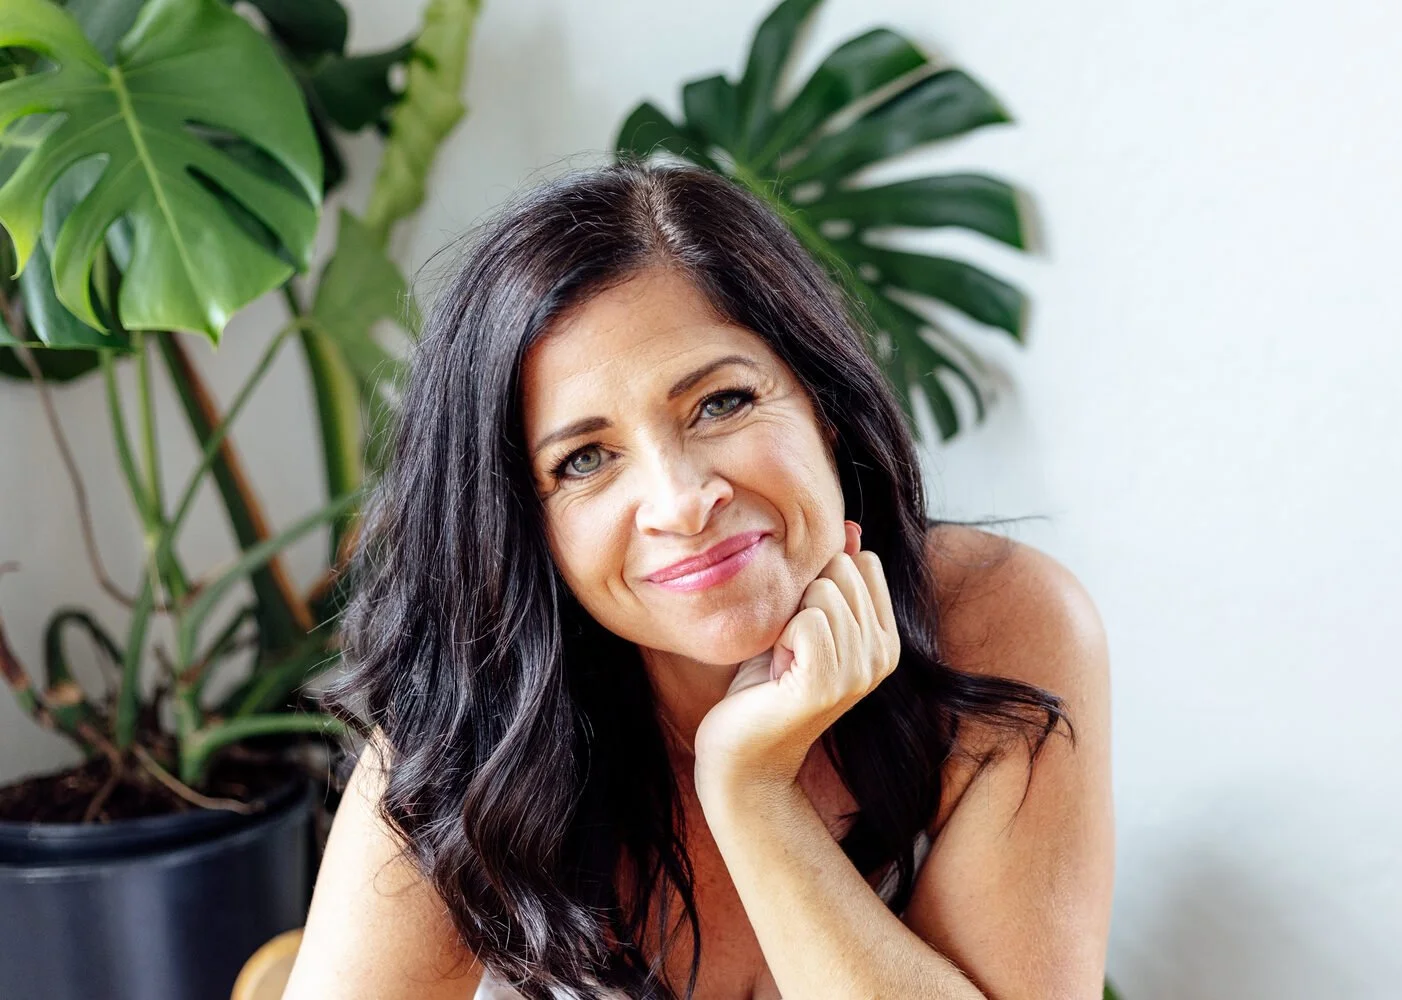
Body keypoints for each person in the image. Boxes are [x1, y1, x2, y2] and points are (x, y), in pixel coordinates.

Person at [282, 160, 1114, 1000]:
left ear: (821, 400)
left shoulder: (998, 624)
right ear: (523, 525)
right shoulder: (469, 740)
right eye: (583, 460)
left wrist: (753, 794)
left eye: (720, 403)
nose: (681, 503)